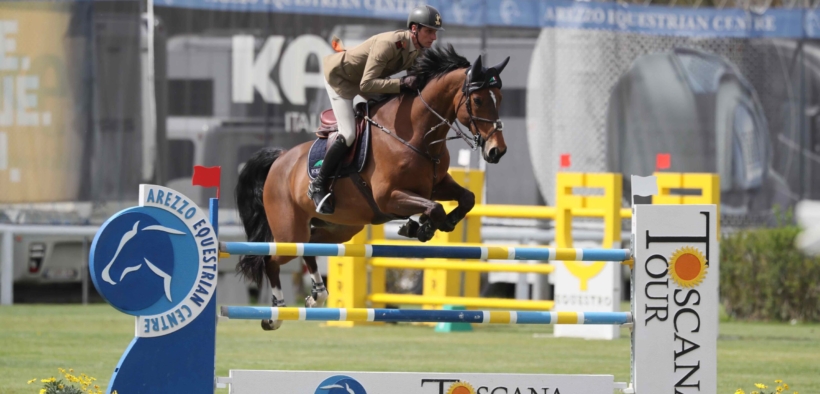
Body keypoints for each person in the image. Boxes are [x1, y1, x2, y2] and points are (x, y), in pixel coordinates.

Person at [309, 4, 444, 214]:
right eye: (429, 31)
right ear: (414, 29)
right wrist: (402, 83)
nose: (434, 37)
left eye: (435, 32)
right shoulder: (389, 44)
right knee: (348, 133)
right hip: (342, 80)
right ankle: (318, 184)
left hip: (366, 80)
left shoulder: (417, 49)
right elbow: (366, 85)